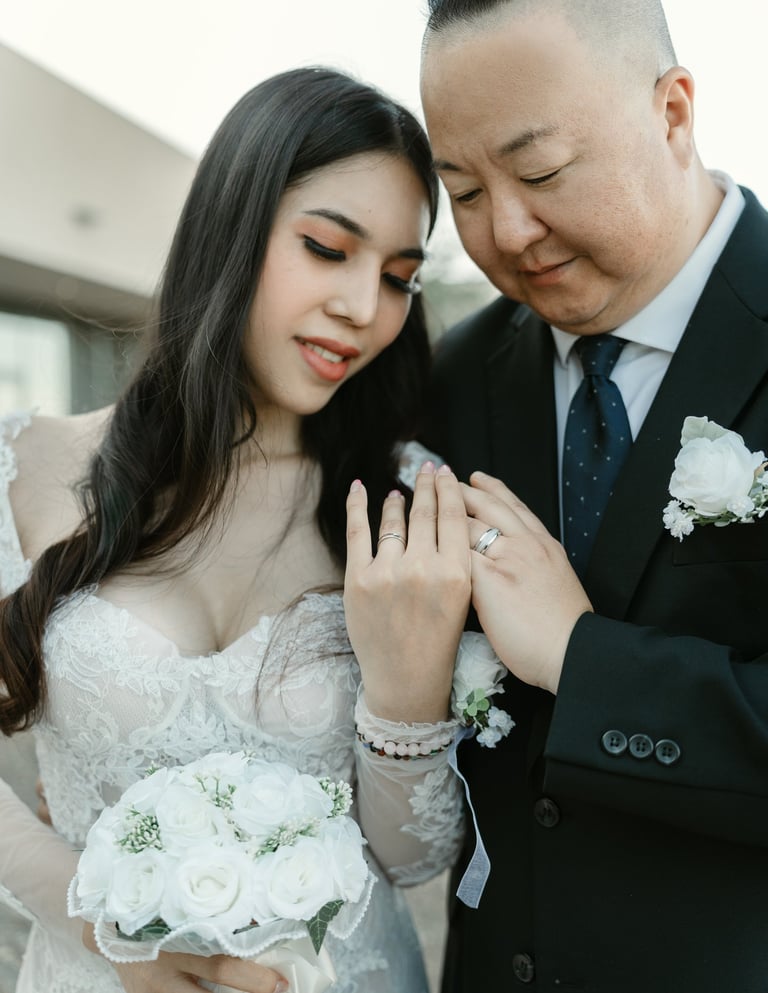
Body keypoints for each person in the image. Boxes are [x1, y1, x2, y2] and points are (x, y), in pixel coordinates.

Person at [0, 66, 470, 993]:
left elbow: (412, 856)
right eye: (327, 249)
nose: (363, 309)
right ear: (231, 224)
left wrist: (406, 689)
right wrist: (102, 926)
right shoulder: (31, 466)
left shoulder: (407, 503)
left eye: (398, 279)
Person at [416, 1, 768, 991]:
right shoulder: (456, 376)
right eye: (463, 191)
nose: (506, 231)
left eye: (540, 173)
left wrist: (582, 659)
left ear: (673, 112)